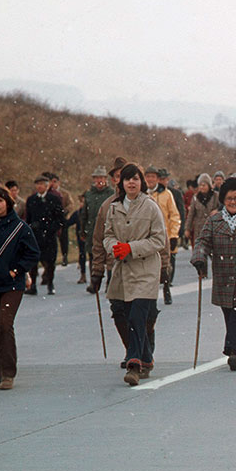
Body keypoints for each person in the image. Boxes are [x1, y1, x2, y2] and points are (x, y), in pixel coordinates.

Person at [104, 164, 167, 386]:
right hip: (123, 270)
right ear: (121, 183)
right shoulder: (114, 207)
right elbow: (107, 235)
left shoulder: (150, 207)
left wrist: (132, 247)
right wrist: (114, 247)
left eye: (136, 179)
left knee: (136, 316)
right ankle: (147, 358)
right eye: (127, 179)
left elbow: (159, 240)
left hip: (145, 270)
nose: (131, 183)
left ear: (142, 182)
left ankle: (134, 363)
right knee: (128, 313)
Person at [0, 187, 40, 390]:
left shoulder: (20, 227)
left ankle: (9, 373)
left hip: (12, 284)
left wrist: (16, 271)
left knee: (5, 324)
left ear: (8, 203)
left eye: (0, 200)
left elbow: (32, 253)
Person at [191, 178, 236, 370]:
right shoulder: (214, 221)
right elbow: (202, 242)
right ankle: (235, 346)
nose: (233, 202)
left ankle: (234, 351)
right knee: (229, 314)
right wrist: (199, 259)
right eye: (229, 198)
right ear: (223, 200)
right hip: (223, 277)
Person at [145, 167, 181, 304]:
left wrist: (173, 235)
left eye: (153, 177)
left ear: (157, 179)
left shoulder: (167, 194)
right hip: (148, 236)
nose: (150, 179)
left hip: (164, 234)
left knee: (164, 266)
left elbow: (174, 215)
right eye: (148, 177)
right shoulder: (142, 194)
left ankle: (166, 288)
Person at [25, 174, 65, 295]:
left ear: (47, 186)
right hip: (35, 236)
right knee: (33, 261)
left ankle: (50, 283)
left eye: (42, 184)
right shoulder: (31, 200)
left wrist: (51, 228)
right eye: (38, 184)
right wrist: (31, 227)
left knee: (50, 261)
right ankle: (33, 286)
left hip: (49, 236)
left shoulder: (54, 199)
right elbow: (28, 218)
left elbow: (60, 219)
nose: (40, 186)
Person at [82, 166, 115, 292]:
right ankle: (94, 282)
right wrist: (83, 229)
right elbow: (84, 213)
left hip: (108, 228)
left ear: (106, 179)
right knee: (93, 255)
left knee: (109, 256)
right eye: (97, 178)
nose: (99, 180)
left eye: (101, 178)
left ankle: (110, 282)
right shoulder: (89, 194)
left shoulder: (111, 194)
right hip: (92, 229)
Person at [186, 173, 220, 276]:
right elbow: (191, 214)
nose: (202, 187)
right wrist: (187, 229)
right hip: (199, 230)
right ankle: (202, 273)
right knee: (201, 254)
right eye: (200, 185)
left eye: (204, 185)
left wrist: (217, 211)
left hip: (214, 229)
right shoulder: (196, 198)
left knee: (215, 254)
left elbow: (223, 208)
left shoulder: (215, 196)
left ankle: (217, 273)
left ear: (209, 185)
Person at [47, 173, 76, 266]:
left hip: (63, 219)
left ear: (59, 183)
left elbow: (71, 204)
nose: (53, 184)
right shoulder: (48, 193)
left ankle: (64, 255)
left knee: (64, 239)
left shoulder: (65, 194)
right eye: (52, 182)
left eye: (55, 182)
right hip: (52, 220)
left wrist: (65, 211)